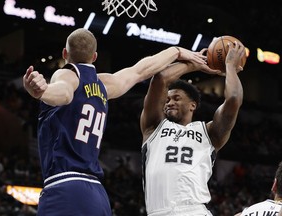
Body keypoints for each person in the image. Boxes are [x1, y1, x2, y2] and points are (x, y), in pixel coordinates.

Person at [22, 28, 214, 216]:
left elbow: (64, 93)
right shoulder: (104, 84)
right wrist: (178, 52)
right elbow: (141, 70)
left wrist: (43, 91)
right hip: (97, 195)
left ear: (65, 53)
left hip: (64, 187)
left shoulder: (66, 75)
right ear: (95, 57)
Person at [140, 41, 245, 215]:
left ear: (192, 105)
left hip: (193, 210)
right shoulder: (153, 126)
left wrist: (230, 68)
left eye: (176, 98)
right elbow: (160, 78)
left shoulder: (209, 133)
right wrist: (194, 63)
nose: (170, 102)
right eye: (167, 100)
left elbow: (233, 99)